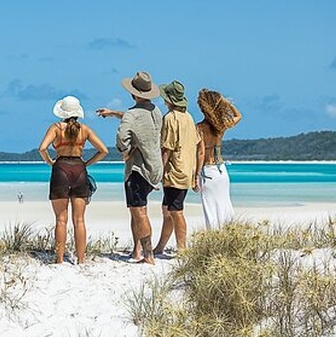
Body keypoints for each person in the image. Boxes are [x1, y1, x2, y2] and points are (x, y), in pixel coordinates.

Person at [97, 71, 163, 265]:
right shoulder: (156, 111)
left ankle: (148, 255)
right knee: (137, 209)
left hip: (138, 169)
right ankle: (137, 250)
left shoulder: (132, 115)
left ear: (133, 93)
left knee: (139, 211)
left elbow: (121, 139)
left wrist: (125, 152)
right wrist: (113, 113)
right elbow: (134, 117)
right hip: (155, 167)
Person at [39, 96, 109, 264]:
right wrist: (86, 164)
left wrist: (51, 162)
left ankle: (60, 259)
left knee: (61, 220)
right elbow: (103, 150)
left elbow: (42, 148)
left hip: (61, 169)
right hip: (79, 170)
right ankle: (81, 260)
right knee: (79, 220)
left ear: (62, 112)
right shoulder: (84, 129)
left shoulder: (56, 128)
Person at [153, 80, 201, 256]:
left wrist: (159, 171)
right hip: (187, 168)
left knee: (175, 210)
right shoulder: (188, 117)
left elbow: (166, 148)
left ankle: (182, 248)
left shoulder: (170, 118)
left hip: (175, 170)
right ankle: (160, 247)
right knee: (167, 210)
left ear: (170, 100)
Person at [194, 88, 242, 229]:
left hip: (208, 172)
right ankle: (229, 236)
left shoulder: (200, 128)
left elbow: (201, 153)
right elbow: (238, 116)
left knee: (211, 209)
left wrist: (196, 176)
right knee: (225, 206)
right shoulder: (221, 125)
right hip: (221, 170)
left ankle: (214, 241)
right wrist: (225, 102)